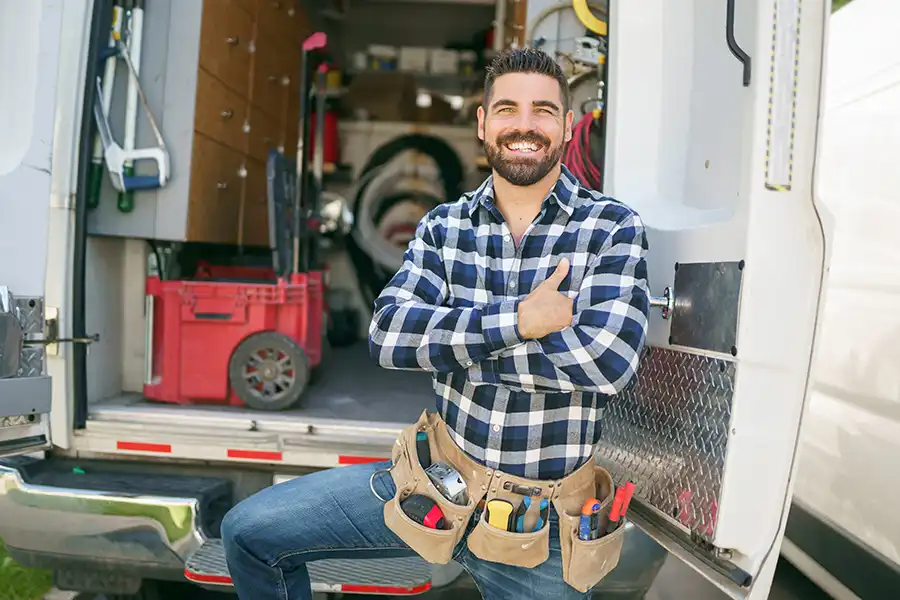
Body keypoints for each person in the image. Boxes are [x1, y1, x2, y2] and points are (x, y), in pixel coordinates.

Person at [221, 46, 650, 600]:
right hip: (431, 489)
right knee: (249, 534)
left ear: (568, 126)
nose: (525, 126)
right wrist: (522, 321)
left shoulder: (611, 227)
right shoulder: (444, 227)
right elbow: (391, 335)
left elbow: (608, 364)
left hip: (539, 526)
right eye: (507, 109)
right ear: (482, 123)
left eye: (543, 111)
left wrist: (452, 341)